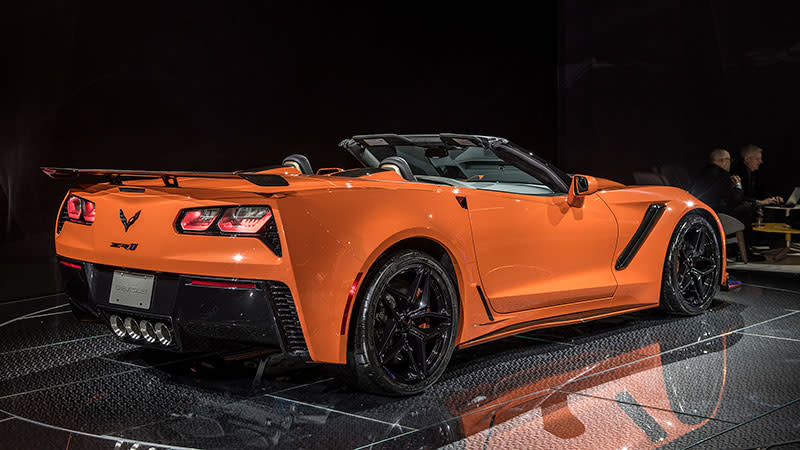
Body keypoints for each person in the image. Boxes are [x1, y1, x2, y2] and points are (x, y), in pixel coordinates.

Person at [690, 149, 743, 215]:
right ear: (723, 161)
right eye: (729, 160)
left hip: (699, 213)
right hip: (718, 215)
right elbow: (734, 200)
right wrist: (738, 185)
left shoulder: (700, 173)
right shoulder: (724, 175)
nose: (730, 163)